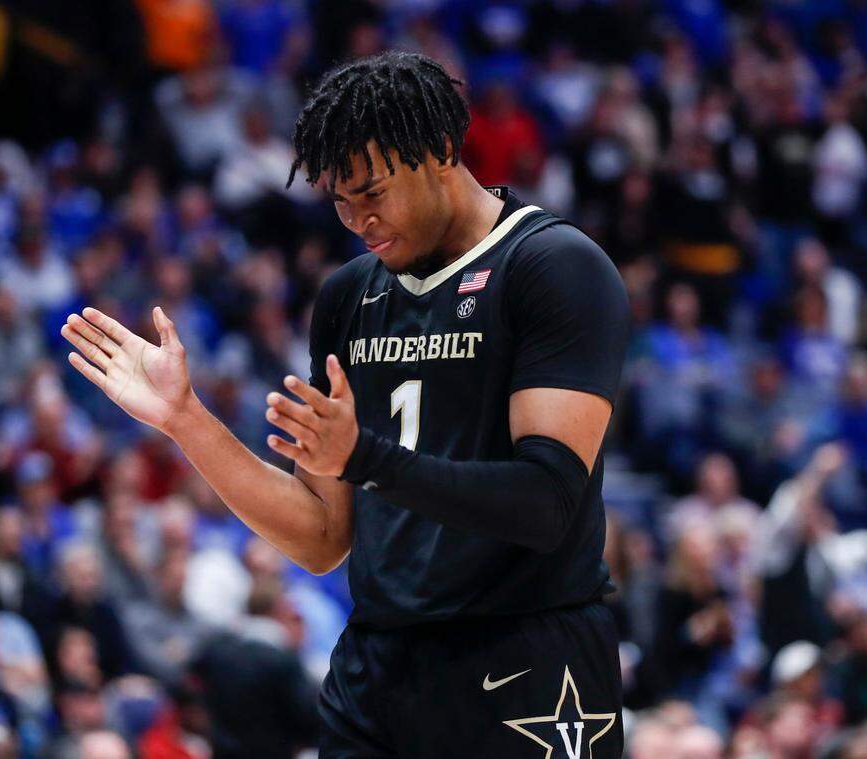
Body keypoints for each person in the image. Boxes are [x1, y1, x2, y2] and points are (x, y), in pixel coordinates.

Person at [62, 51, 629, 757]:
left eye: (373, 191)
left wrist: (366, 457)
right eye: (339, 198)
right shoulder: (347, 297)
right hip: (378, 666)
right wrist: (186, 420)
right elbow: (322, 536)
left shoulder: (553, 266)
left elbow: (549, 505)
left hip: (528, 660)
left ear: (442, 151)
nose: (359, 218)